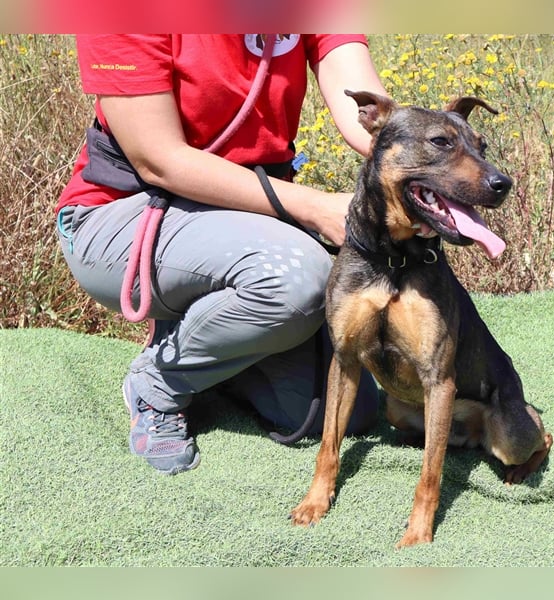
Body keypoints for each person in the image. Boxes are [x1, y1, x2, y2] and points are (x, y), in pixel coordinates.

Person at [55, 34, 388, 475]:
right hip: (124, 215)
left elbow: (366, 109)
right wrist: (314, 208)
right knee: (296, 279)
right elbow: (160, 161)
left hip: (252, 219)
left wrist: (422, 157)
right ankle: (158, 380)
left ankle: (217, 342)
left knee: (346, 412)